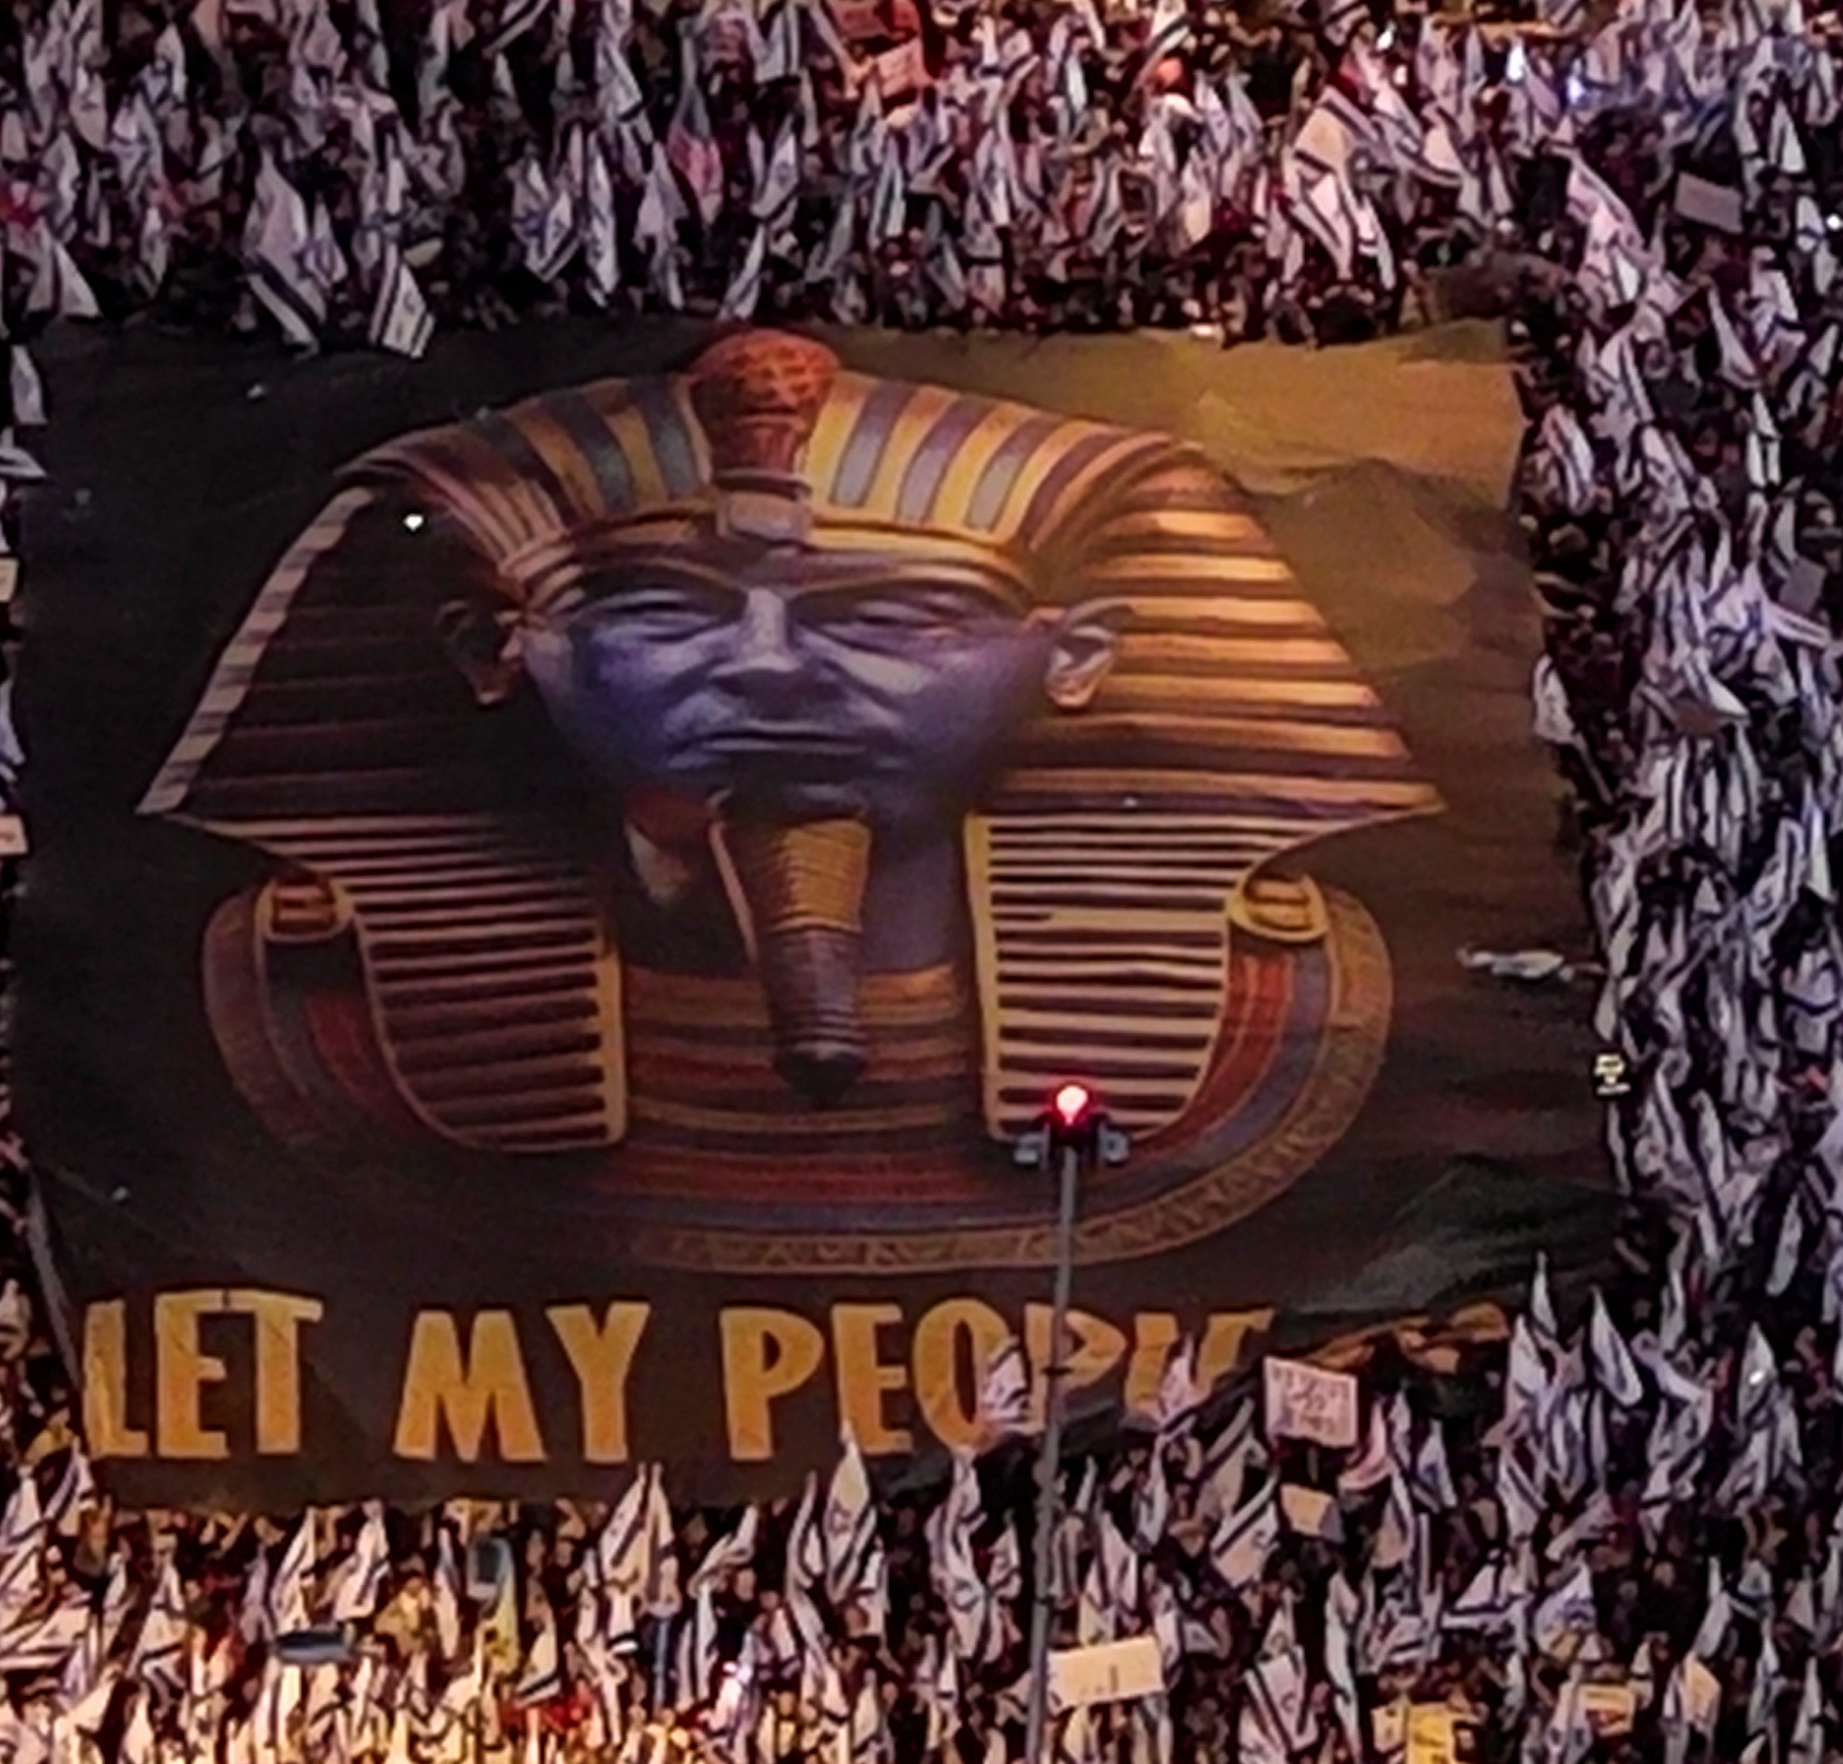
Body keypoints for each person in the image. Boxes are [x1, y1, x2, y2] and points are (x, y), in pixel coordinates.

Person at [158, 329, 1419, 1264]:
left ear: (1072, 658)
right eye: (665, 612)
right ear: (498, 650)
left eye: (889, 619)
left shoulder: (1271, 1022)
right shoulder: (316, 1015)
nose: (768, 670)